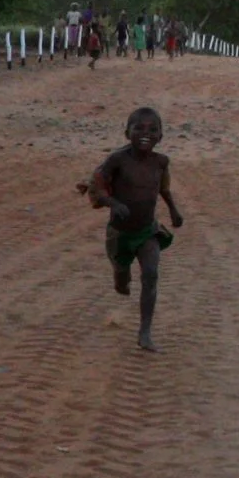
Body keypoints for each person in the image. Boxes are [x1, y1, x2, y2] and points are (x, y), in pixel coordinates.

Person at [82, 106, 185, 353]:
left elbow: (164, 189)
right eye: (138, 128)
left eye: (153, 129)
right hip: (119, 234)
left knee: (151, 275)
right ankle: (120, 275)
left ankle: (145, 333)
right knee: (121, 278)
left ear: (161, 136)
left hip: (147, 231)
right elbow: (96, 186)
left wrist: (173, 210)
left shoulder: (161, 162)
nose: (145, 133)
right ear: (127, 133)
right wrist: (113, 203)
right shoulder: (117, 160)